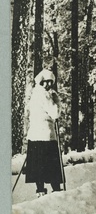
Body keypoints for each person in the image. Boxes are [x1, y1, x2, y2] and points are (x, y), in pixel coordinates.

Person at [25, 69, 63, 197]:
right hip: (46, 134)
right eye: (45, 82)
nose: (48, 85)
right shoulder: (45, 95)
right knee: (50, 163)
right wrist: (57, 100)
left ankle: (40, 190)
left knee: (38, 163)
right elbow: (55, 113)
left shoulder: (35, 94)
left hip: (35, 134)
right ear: (41, 82)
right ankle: (56, 189)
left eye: (50, 83)